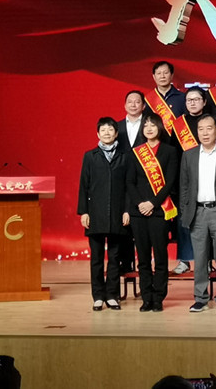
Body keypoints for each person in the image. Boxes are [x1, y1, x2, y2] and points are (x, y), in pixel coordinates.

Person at [180, 114, 216, 313]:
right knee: (200, 258)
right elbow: (184, 187)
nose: (205, 133)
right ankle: (200, 298)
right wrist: (185, 211)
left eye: (209, 128)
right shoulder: (189, 155)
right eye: (201, 129)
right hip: (197, 212)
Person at [126, 112, 178, 312]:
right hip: (139, 212)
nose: (149, 128)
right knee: (143, 258)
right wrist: (141, 203)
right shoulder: (136, 152)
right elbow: (130, 182)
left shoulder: (169, 151)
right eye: (146, 125)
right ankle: (146, 297)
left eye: (152, 125)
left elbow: (170, 182)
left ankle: (158, 297)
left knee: (160, 256)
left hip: (159, 211)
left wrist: (152, 203)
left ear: (159, 128)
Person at [77, 117, 130, 311]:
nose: (107, 133)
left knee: (115, 257)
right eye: (103, 130)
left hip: (117, 213)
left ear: (116, 134)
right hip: (96, 213)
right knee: (97, 258)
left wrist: (127, 210)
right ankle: (98, 296)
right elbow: (84, 185)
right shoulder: (90, 156)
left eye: (110, 130)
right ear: (97, 134)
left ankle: (112, 295)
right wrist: (84, 211)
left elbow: (128, 187)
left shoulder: (125, 156)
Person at [170, 86, 209, 275]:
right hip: (184, 178)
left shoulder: (211, 122)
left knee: (206, 220)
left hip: (207, 177)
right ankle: (184, 260)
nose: (192, 103)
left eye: (196, 99)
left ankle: (206, 260)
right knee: (184, 220)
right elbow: (173, 154)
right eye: (189, 100)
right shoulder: (179, 125)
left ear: (204, 101)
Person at [115, 90, 147, 274]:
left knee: (141, 226)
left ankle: (145, 267)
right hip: (121, 180)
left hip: (144, 180)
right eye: (130, 101)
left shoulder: (150, 125)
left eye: (137, 102)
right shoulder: (116, 127)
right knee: (124, 222)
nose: (133, 105)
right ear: (124, 105)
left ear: (143, 105)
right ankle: (125, 263)